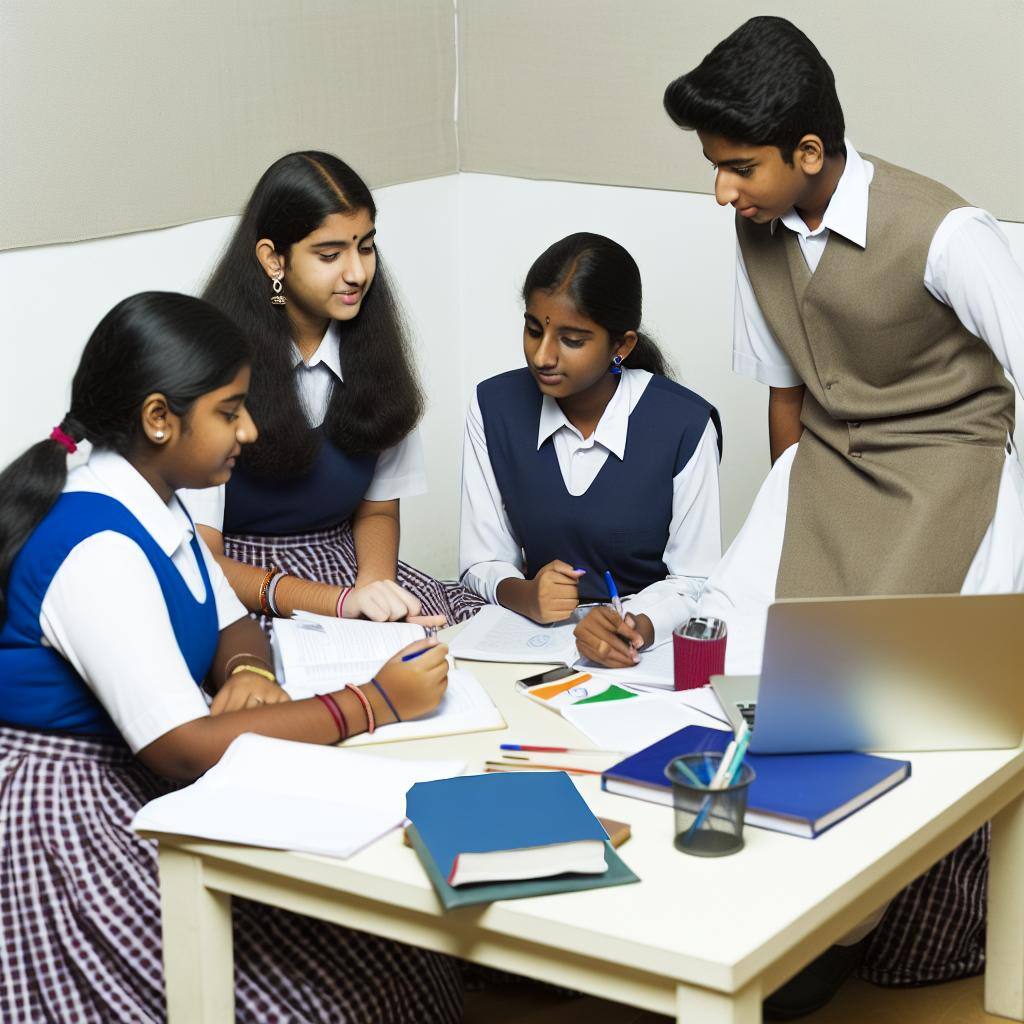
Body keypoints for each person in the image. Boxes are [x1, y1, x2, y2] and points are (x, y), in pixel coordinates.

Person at [663, 14, 1024, 1015]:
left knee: (874, 703)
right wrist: (793, 518)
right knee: (730, 667)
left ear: (809, 151)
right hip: (827, 463)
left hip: (947, 471)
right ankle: (758, 915)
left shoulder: (945, 231)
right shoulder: (754, 230)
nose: (722, 189)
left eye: (738, 167)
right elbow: (787, 389)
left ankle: (849, 918)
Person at [0, 292, 462, 1023]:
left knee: (396, 955)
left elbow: (233, 620)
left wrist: (247, 673)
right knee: (317, 1003)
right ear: (160, 418)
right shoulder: (97, 547)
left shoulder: (157, 500)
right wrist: (374, 702)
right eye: (230, 410)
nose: (248, 429)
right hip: (73, 820)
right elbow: (184, 748)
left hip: (139, 773)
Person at [181, 151, 483, 627]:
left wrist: (376, 598)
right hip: (247, 585)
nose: (357, 273)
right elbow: (202, 561)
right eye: (330, 254)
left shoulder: (375, 358)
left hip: (351, 571)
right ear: (273, 259)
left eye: (366, 246)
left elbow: (378, 513)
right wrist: (340, 607)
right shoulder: (209, 370)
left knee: (460, 632)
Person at [459, 232, 722, 665]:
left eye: (572, 340)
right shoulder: (493, 407)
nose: (543, 356)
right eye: (532, 329)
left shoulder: (685, 424)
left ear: (621, 346)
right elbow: (481, 560)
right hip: (529, 639)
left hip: (644, 647)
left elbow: (695, 579)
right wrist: (528, 596)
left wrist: (632, 626)